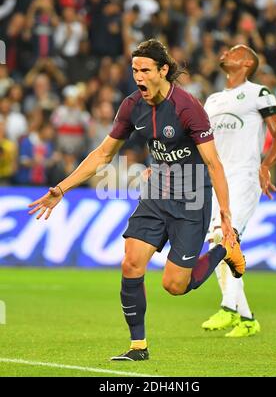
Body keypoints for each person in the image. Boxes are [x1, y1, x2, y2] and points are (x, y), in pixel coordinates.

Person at [28, 39, 246, 361]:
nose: (139, 77)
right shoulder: (132, 106)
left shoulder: (188, 108)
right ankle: (138, 346)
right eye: (134, 70)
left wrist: (225, 213)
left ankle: (224, 249)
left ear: (163, 70)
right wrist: (61, 189)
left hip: (192, 198)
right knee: (131, 262)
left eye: (145, 70)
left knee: (175, 285)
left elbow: (214, 164)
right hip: (156, 193)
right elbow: (103, 154)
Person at [202, 45, 276, 337]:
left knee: (224, 237)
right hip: (217, 180)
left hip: (243, 176)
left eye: (233, 50)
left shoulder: (258, 93)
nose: (224, 51)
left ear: (247, 62)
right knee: (217, 243)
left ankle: (227, 307)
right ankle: (248, 318)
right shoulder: (212, 100)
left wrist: (266, 166)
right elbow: (199, 142)